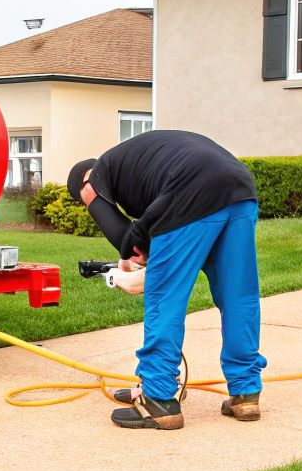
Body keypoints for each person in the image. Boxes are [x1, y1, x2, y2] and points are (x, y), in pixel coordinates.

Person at [68, 130, 265, 430]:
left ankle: (158, 398)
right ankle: (246, 392)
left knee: (165, 297)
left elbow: (127, 239)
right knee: (238, 296)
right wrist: (135, 251)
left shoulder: (94, 180)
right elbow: (140, 239)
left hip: (190, 191)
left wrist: (128, 259)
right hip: (239, 187)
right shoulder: (135, 162)